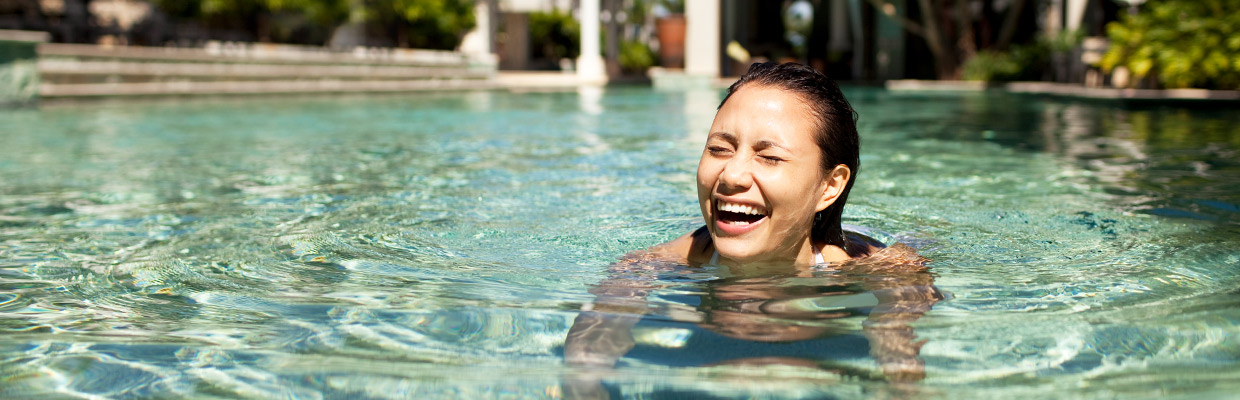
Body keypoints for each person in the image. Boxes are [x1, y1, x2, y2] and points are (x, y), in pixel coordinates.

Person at [563, 63, 942, 397]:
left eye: (769, 156)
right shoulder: (653, 265)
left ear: (829, 186)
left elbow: (905, 365)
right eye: (719, 149)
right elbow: (588, 355)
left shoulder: (881, 268)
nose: (731, 175)